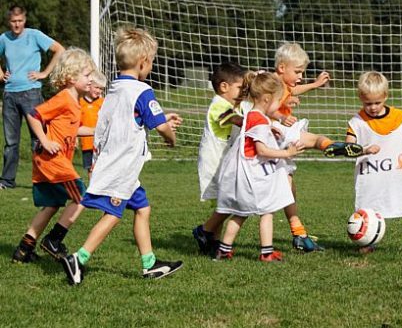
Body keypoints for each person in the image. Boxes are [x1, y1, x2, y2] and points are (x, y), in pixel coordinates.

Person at [61, 27, 183, 285]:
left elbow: (116, 123)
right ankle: (79, 258)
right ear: (143, 63)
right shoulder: (142, 91)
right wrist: (171, 138)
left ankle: (149, 264)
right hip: (122, 166)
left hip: (113, 161)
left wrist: (96, 161)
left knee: (143, 208)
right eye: (151, 62)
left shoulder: (114, 90)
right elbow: (160, 126)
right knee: (113, 215)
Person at [271, 42, 363, 252]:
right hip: (273, 135)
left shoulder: (282, 84)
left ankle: (299, 234)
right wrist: (280, 109)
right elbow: (264, 101)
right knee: (311, 143)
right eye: (298, 71)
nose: (300, 76)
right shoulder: (271, 82)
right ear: (282, 67)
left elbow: (292, 89)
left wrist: (312, 85)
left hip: (279, 134)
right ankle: (333, 146)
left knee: (289, 188)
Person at [11, 48, 96, 263]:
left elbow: (73, 129)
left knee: (53, 204)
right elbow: (34, 115)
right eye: (86, 75)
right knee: (82, 197)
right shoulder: (64, 99)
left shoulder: (75, 102)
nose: (91, 79)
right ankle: (53, 241)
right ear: (70, 77)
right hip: (52, 161)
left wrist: (98, 130)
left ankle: (24, 249)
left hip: (51, 161)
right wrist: (46, 140)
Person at [343, 71, 402, 255]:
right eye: (368, 103)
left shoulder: (399, 116)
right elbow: (349, 146)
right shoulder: (357, 122)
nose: (372, 107)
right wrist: (363, 150)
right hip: (371, 176)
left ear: (385, 96)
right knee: (369, 209)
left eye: (377, 102)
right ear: (360, 98)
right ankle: (368, 242)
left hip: (397, 175)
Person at [213, 72, 302, 262]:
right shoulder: (260, 120)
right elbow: (261, 150)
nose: (280, 106)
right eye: (279, 101)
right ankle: (266, 252)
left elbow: (252, 135)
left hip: (241, 174)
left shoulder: (251, 115)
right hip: (252, 175)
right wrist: (287, 153)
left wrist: (270, 129)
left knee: (240, 213)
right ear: (267, 99)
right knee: (267, 211)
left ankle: (223, 249)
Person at [0, 5, 65, 189]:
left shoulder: (34, 35)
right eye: (13, 21)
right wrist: (0, 72)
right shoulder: (4, 39)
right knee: (11, 141)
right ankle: (7, 180)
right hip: (10, 93)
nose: (17, 25)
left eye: (20, 21)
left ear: (25, 20)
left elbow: (59, 49)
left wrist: (44, 73)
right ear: (9, 21)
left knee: (38, 137)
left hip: (31, 93)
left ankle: (43, 178)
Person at [192, 62, 248, 255]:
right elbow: (233, 120)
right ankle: (204, 230)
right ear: (224, 87)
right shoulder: (219, 104)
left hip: (223, 162)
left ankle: (211, 242)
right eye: (240, 87)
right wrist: (254, 123)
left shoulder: (231, 104)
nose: (243, 92)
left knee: (223, 202)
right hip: (214, 163)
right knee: (228, 201)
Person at [79, 70, 107, 179]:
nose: (99, 91)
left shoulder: (103, 102)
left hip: (101, 143)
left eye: (101, 89)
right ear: (89, 85)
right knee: (90, 168)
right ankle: (92, 190)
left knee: (103, 168)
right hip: (87, 144)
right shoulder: (80, 102)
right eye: (97, 87)